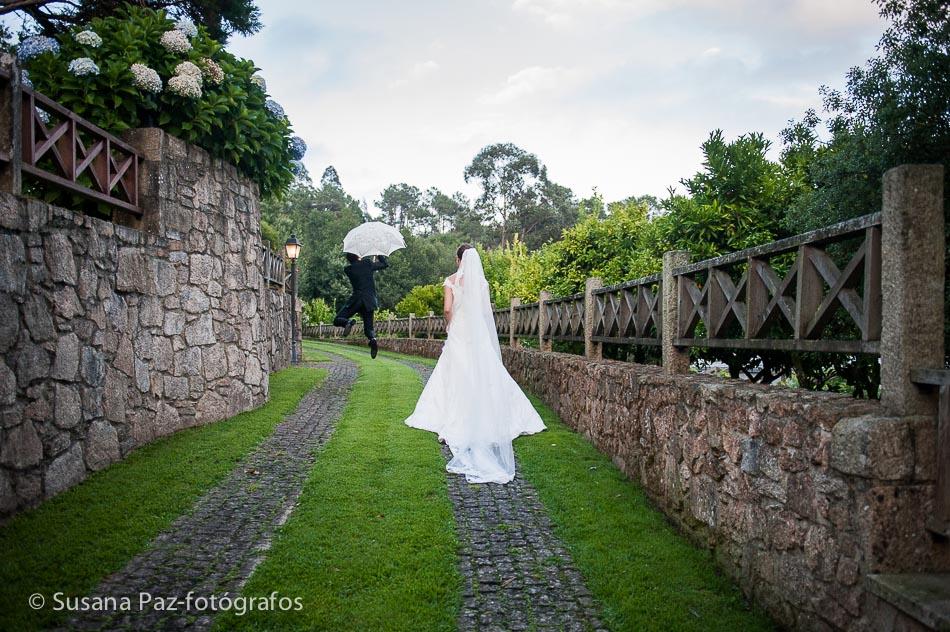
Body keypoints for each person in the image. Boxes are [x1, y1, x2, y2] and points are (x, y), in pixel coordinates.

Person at [405, 245, 545, 484]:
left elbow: (448, 309)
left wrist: (450, 324)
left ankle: (450, 418)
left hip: (459, 331)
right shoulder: (482, 284)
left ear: (457, 259)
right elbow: (483, 313)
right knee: (485, 374)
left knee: (456, 373)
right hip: (476, 335)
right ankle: (496, 417)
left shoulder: (450, 281)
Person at [333, 252, 388, 358]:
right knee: (369, 329)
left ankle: (348, 322)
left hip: (356, 301)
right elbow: (384, 264)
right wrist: (378, 254)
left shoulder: (348, 269)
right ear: (358, 256)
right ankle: (373, 340)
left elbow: (360, 268)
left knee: (337, 319)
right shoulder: (367, 264)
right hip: (369, 301)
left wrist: (367, 262)